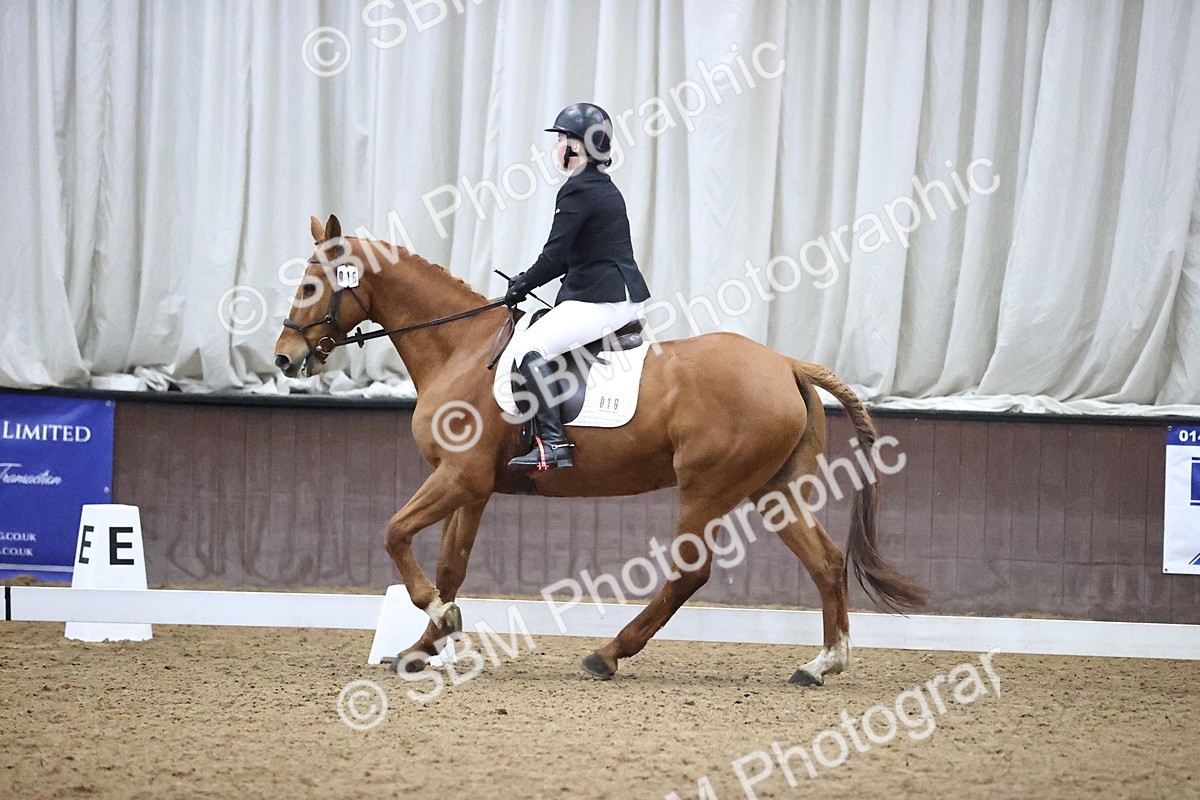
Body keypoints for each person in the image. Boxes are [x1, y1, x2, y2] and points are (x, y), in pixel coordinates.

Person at [503, 102, 652, 471]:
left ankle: (552, 443)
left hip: (601, 299)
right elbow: (573, 256)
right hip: (617, 295)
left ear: (579, 146)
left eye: (563, 139)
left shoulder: (578, 189)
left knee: (528, 347)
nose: (557, 147)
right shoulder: (600, 185)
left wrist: (522, 283)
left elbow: (555, 256)